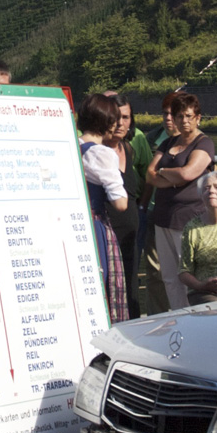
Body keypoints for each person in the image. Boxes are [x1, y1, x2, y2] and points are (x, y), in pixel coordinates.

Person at [144, 92, 216, 312]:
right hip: (163, 218)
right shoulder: (168, 142)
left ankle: (192, 319)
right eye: (179, 116)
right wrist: (170, 177)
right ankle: (176, 317)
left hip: (187, 219)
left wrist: (163, 173)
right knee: (168, 276)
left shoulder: (204, 144)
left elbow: (188, 173)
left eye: (188, 116)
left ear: (198, 118)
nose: (184, 121)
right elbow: (149, 174)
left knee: (188, 275)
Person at [76, 93, 131, 321]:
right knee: (103, 285)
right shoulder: (102, 154)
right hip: (96, 223)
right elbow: (120, 203)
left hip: (75, 223)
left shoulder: (73, 145)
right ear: (107, 122)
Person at [104, 92, 154, 313]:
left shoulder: (128, 149)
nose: (120, 123)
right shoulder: (96, 151)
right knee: (108, 284)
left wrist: (142, 206)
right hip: (106, 227)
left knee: (131, 281)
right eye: (115, 117)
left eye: (125, 117)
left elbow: (145, 178)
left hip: (131, 227)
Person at [178, 170, 217, 305]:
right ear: (201, 196)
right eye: (206, 188)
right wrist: (202, 285)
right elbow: (184, 271)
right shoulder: (192, 227)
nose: (211, 191)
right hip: (205, 294)